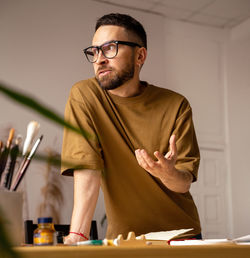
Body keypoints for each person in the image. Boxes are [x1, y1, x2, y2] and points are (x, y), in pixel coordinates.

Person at [62, 13, 201, 244]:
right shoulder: (84, 95)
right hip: (125, 240)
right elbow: (87, 169)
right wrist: (77, 235)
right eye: (94, 51)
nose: (99, 59)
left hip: (181, 236)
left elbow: (183, 182)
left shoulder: (176, 104)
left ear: (140, 55)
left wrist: (168, 173)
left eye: (109, 48)